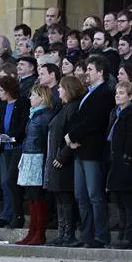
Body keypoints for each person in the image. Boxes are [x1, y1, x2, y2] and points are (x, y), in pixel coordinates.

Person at [66, 55, 114, 248]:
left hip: (92, 149)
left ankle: (100, 235)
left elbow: (94, 121)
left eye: (91, 70)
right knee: (81, 194)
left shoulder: (105, 94)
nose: (87, 73)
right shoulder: (89, 92)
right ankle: (87, 234)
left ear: (100, 72)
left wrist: (73, 136)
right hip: (80, 149)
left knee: (94, 194)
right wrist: (71, 137)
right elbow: (78, 118)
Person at [45, 75, 86, 247]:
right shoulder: (64, 108)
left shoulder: (73, 108)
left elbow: (72, 135)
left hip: (64, 160)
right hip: (55, 157)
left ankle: (69, 234)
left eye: (61, 87)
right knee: (59, 198)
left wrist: (62, 155)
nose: (58, 90)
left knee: (65, 197)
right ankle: (62, 233)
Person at [106, 81, 132, 249]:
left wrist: (127, 156)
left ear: (130, 96)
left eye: (122, 93)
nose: (117, 95)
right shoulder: (116, 113)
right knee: (119, 200)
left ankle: (128, 236)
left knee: (128, 201)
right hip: (114, 160)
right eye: (117, 92)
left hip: (126, 161)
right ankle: (121, 234)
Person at [15, 85, 54, 245]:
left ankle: (40, 232)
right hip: (29, 155)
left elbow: (47, 140)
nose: (30, 98)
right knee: (30, 196)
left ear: (42, 98)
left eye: (33, 96)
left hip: (38, 157)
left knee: (38, 196)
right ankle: (32, 230)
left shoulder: (45, 116)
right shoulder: (34, 115)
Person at [0, 75, 30, 229]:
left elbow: (23, 124)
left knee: (11, 181)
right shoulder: (1, 105)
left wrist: (13, 136)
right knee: (4, 182)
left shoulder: (22, 103)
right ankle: (7, 215)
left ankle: (17, 215)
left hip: (17, 148)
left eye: (1, 90)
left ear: (9, 90)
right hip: (4, 148)